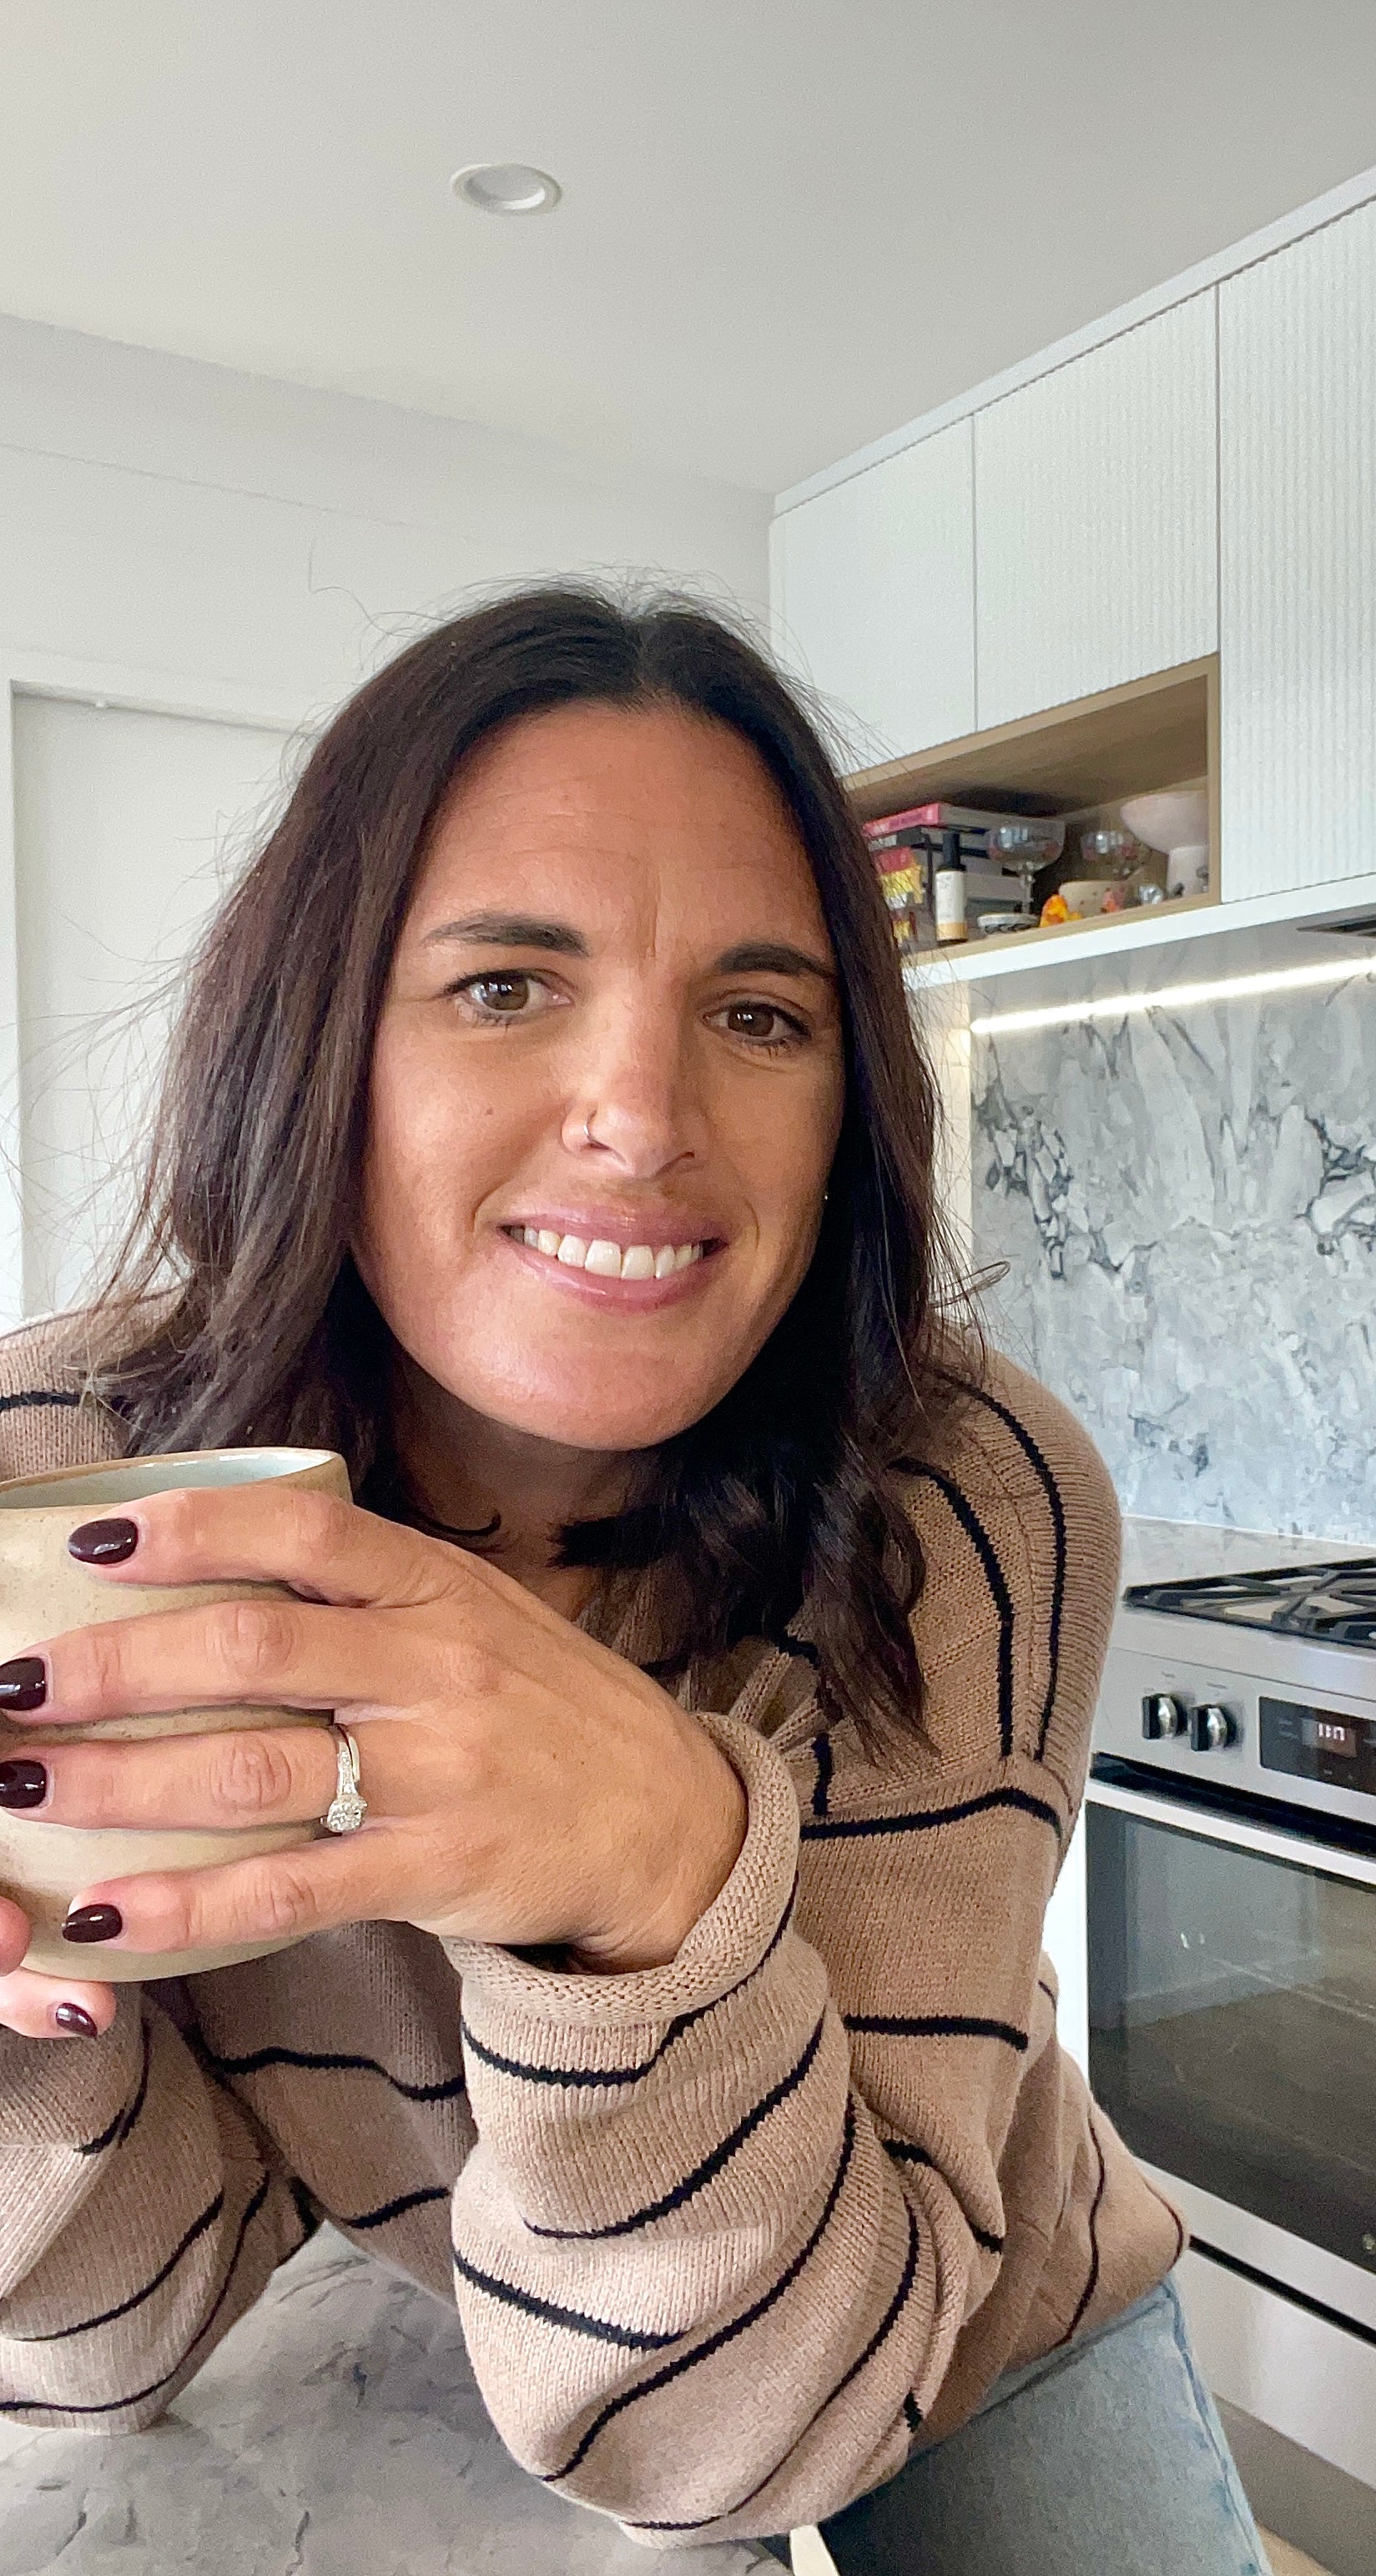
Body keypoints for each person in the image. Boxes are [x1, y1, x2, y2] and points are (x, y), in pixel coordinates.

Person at [0, 591, 1269, 2572]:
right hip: (424, 2291)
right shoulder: (65, 1489)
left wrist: (659, 1885)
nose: (647, 1117)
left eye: (760, 1015)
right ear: (313, 1034)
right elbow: (114, 2336)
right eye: (507, 983)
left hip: (949, 2280)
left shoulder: (962, 1497)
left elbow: (760, 2429)